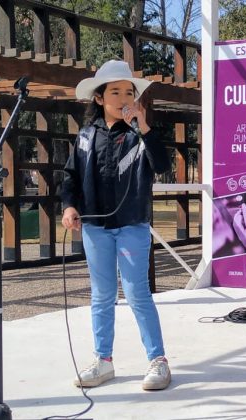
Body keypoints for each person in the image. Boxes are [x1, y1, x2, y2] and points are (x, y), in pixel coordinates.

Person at [61, 60, 173, 391]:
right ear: (99, 98)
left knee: (138, 292)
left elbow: (163, 165)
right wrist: (69, 206)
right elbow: (71, 177)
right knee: (102, 294)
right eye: (115, 91)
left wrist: (144, 126)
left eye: (129, 91)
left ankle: (158, 360)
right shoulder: (84, 137)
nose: (123, 96)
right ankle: (103, 361)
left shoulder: (140, 135)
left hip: (132, 225)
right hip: (95, 226)